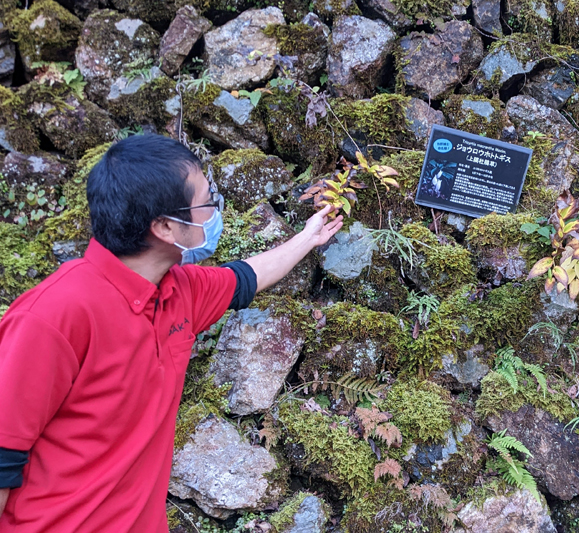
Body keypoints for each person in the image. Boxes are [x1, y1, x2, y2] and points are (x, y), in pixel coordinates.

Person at [0, 134, 343, 531]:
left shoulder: (179, 291)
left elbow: (247, 277)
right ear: (164, 226)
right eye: (206, 202)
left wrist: (308, 237)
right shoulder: (54, 315)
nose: (214, 211)